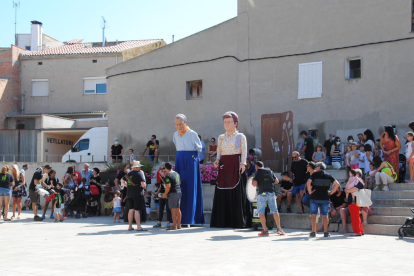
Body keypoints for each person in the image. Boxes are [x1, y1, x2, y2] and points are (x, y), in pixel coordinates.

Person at [211, 111, 250, 228]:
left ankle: (237, 221)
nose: (226, 124)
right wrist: (217, 161)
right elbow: (219, 152)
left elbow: (244, 150)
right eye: (224, 122)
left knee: (237, 191)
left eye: (229, 122)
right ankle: (222, 221)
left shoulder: (240, 136)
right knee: (222, 189)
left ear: (236, 123)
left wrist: (243, 163)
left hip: (235, 164)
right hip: (224, 165)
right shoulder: (221, 137)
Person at [173, 114, 204, 226]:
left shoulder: (192, 134)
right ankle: (179, 219)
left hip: (191, 160)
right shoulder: (175, 134)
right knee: (179, 187)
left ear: (185, 122)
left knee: (191, 187)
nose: (179, 126)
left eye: (181, 124)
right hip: (180, 160)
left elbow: (199, 148)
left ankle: (191, 219)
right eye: (177, 125)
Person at [307, 162, 340, 238]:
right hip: (325, 197)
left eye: (316, 166)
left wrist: (309, 191)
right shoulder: (328, 175)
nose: (315, 168)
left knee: (313, 215)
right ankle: (326, 232)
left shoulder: (314, 174)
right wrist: (331, 192)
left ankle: (313, 231)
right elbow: (337, 184)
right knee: (325, 215)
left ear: (319, 167)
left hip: (315, 197)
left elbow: (308, 182)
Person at [253, 161, 285, 236]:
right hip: (271, 193)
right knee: (275, 210)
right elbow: (276, 181)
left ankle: (265, 231)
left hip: (262, 193)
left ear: (256, 166)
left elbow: (254, 184)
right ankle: (279, 229)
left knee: (261, 212)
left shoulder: (257, 172)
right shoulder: (270, 170)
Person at [124, 160, 147, 231]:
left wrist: (128, 186)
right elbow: (143, 185)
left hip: (129, 193)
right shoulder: (139, 174)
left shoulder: (128, 174)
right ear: (136, 167)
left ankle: (130, 226)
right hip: (138, 194)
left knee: (131, 209)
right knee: (137, 210)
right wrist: (144, 187)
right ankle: (139, 227)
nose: (140, 168)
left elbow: (122, 181)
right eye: (139, 166)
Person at [344, 170, 365, 236]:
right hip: (353, 201)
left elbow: (356, 189)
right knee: (356, 216)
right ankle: (360, 230)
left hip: (355, 201)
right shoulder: (355, 181)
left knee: (354, 216)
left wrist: (347, 191)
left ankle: (357, 232)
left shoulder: (359, 181)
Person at [162, 162, 182, 230]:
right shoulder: (176, 173)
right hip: (179, 192)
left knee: (173, 210)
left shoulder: (168, 176)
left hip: (172, 193)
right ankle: (179, 225)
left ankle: (174, 225)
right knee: (178, 209)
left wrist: (164, 194)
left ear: (166, 168)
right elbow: (179, 182)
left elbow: (168, 186)